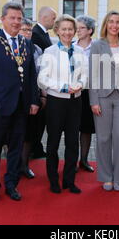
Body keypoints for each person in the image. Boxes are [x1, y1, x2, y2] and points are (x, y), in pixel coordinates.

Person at [0, 2, 40, 203]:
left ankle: (12, 184)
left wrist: (33, 100)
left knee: (16, 148)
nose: (15, 22)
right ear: (3, 19)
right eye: (12, 18)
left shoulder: (26, 43)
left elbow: (31, 75)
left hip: (21, 107)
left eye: (19, 18)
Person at [38, 14, 88, 194]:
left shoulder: (80, 52)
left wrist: (80, 84)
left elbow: (85, 75)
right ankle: (53, 180)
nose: (67, 32)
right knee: (53, 143)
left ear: (75, 32)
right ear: (57, 30)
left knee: (73, 143)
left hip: (76, 103)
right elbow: (42, 79)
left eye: (70, 29)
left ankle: (69, 180)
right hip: (56, 102)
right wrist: (64, 87)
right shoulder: (50, 52)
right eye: (64, 29)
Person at [89, 10, 119, 192]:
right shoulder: (97, 45)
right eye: (111, 22)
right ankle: (106, 177)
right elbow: (92, 73)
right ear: (106, 24)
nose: (114, 25)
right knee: (103, 138)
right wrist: (93, 100)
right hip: (102, 97)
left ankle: (118, 178)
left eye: (118, 22)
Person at [31, 6, 57, 159]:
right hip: (40, 85)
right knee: (37, 121)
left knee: (40, 121)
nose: (54, 21)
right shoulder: (36, 34)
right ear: (44, 17)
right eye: (53, 18)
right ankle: (35, 147)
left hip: (45, 84)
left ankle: (37, 146)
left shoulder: (43, 33)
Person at [19, 18, 44, 179]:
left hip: (31, 95)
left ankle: (24, 164)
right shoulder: (9, 46)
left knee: (29, 132)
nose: (27, 33)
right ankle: (12, 162)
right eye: (24, 29)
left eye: (29, 30)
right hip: (12, 96)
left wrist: (40, 96)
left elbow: (40, 74)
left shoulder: (37, 50)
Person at [75, 15, 96, 173]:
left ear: (90, 30)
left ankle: (84, 159)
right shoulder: (71, 46)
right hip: (72, 92)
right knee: (72, 128)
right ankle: (72, 160)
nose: (77, 30)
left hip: (90, 92)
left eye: (81, 27)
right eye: (77, 27)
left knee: (86, 128)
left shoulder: (98, 48)